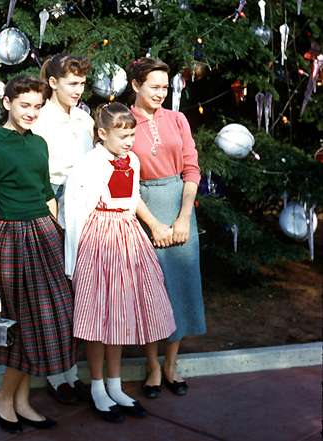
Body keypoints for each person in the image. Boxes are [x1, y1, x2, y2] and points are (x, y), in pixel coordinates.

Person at [0, 76, 74, 433]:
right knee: (22, 325)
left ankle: (21, 401)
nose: (31, 112)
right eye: (24, 105)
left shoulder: (40, 144)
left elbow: (47, 195)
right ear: (7, 102)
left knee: (43, 323)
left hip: (44, 235)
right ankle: (4, 399)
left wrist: (56, 235)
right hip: (10, 240)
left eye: (38, 106)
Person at [64, 103, 176, 422]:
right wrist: (73, 263)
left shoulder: (133, 160)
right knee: (100, 319)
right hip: (100, 242)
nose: (128, 141)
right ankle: (97, 387)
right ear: (102, 133)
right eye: (122, 135)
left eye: (131, 134)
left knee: (120, 315)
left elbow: (131, 198)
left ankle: (115, 385)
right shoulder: (90, 164)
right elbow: (75, 214)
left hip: (128, 240)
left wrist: (149, 225)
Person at [127, 57, 206, 398]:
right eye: (153, 86)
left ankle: (171, 364)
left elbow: (191, 168)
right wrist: (154, 224)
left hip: (179, 204)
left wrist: (184, 216)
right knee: (150, 292)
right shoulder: (122, 120)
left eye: (165, 86)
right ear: (136, 86)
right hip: (143, 208)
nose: (161, 93)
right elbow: (123, 178)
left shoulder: (178, 119)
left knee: (182, 287)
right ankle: (152, 365)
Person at [31, 52, 93, 405]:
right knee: (55, 294)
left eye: (82, 83)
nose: (78, 90)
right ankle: (58, 375)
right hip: (51, 204)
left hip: (83, 205)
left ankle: (73, 370)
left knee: (78, 292)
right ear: (53, 82)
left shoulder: (85, 120)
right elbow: (40, 174)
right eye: (71, 83)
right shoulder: (40, 121)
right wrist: (52, 215)